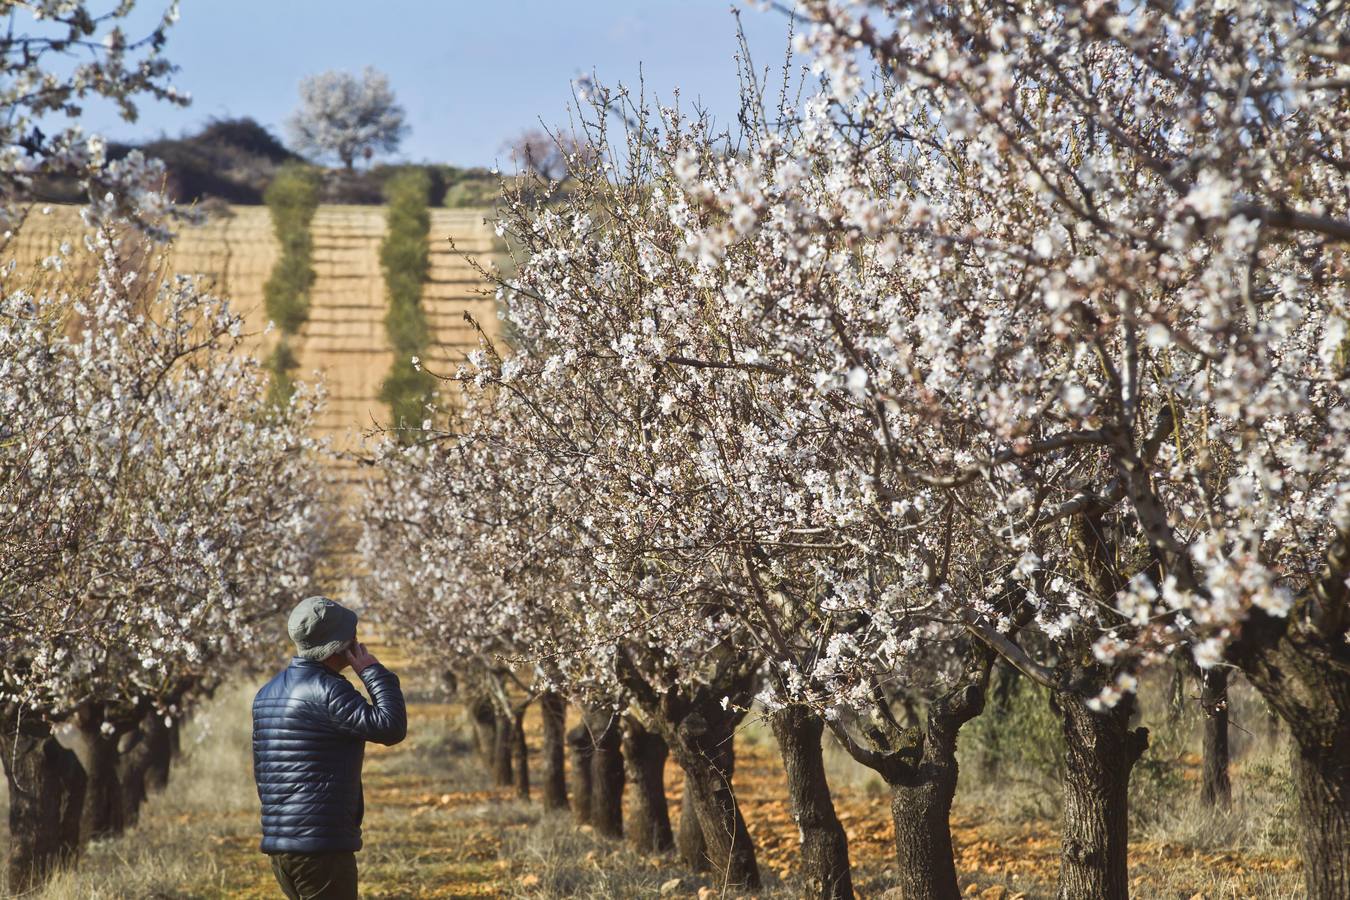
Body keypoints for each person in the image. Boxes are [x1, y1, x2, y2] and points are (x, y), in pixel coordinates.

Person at [252, 595, 407, 900]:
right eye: (352, 634)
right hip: (320, 848)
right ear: (339, 644)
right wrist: (372, 672)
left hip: (282, 845)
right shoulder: (328, 690)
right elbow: (390, 727)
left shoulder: (266, 693)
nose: (357, 639)